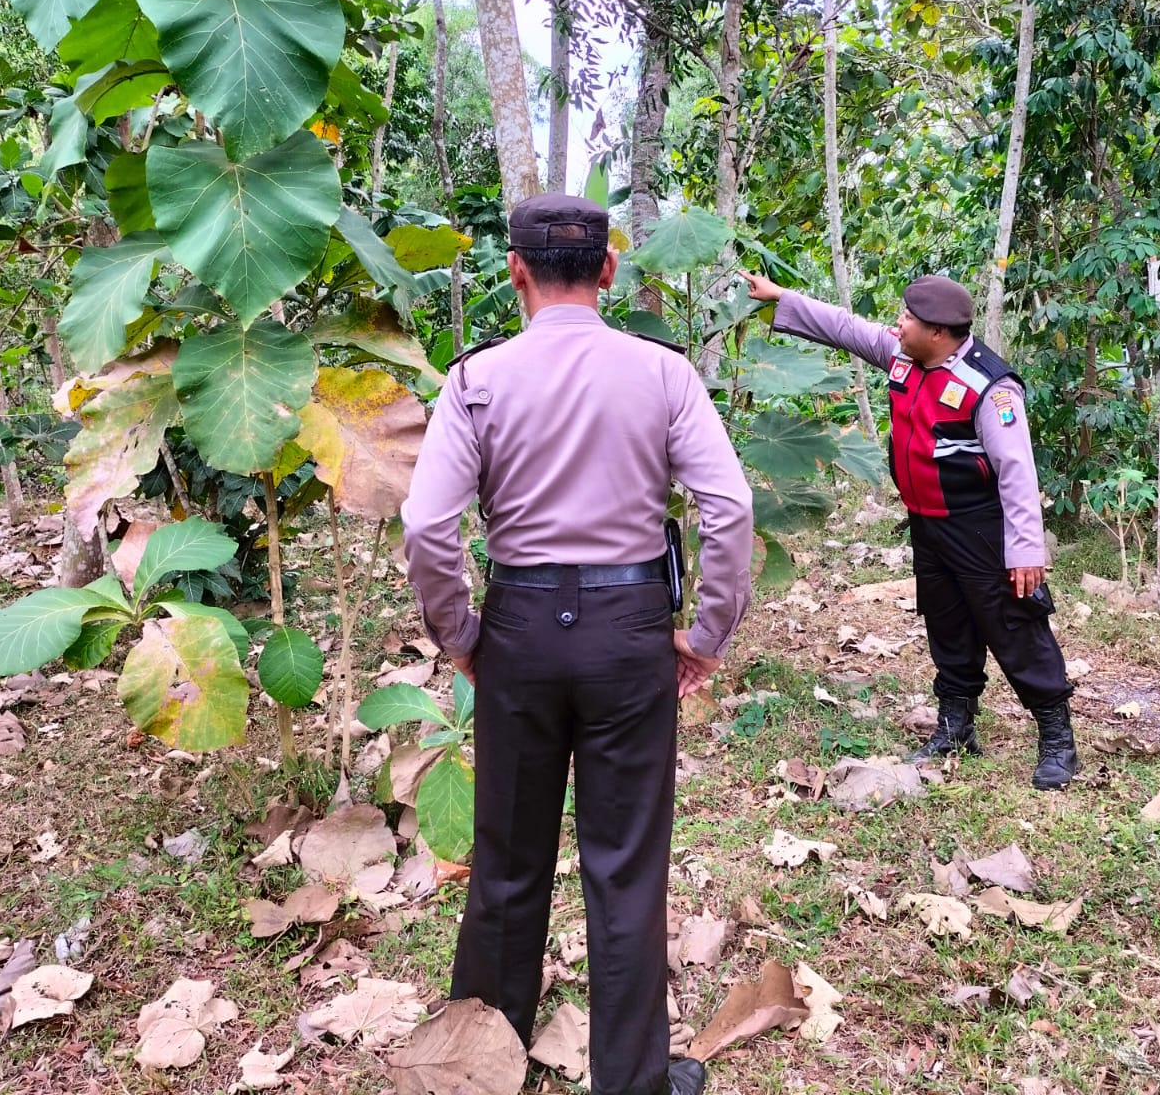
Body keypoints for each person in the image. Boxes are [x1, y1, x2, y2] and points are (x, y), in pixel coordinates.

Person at [401, 193, 754, 1095]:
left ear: (515, 271)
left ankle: (481, 1061)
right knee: (626, 868)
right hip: (630, 634)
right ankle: (632, 1081)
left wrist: (462, 636)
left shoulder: (475, 380)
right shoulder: (664, 375)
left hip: (519, 633)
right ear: (607, 271)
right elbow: (731, 508)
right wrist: (705, 633)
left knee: (508, 860)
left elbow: (429, 526)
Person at [740, 269, 1079, 790]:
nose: (897, 325)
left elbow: (1017, 472)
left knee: (1014, 628)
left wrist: (1026, 552)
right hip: (929, 526)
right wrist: (782, 296)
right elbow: (845, 328)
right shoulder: (905, 356)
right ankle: (955, 727)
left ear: (939, 333)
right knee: (946, 623)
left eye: (907, 319)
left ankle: (1057, 738)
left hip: (982, 529)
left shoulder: (990, 387)